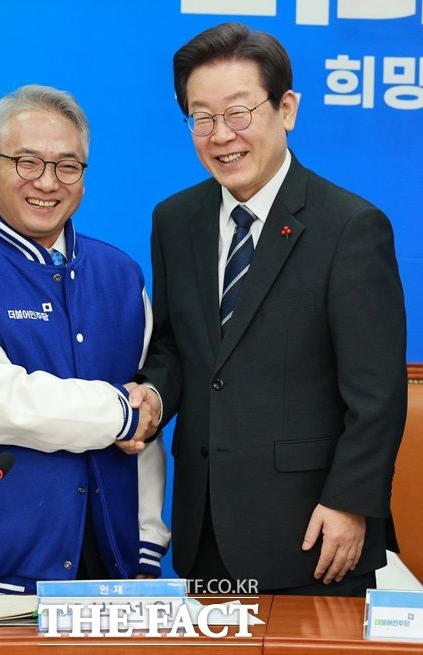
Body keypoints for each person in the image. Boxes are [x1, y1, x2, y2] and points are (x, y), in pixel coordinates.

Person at [129, 22, 407, 596]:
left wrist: (351, 502)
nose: (220, 135)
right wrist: (152, 396)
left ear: (287, 109)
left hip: (316, 532)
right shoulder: (174, 220)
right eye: (201, 117)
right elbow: (178, 346)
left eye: (238, 113)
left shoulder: (350, 227)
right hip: (206, 524)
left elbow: (377, 392)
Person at [0, 84, 169, 596]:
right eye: (27, 162)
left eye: (67, 166)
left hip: (111, 569)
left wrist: (146, 543)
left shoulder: (121, 275)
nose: (47, 182)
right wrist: (120, 413)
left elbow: (145, 420)